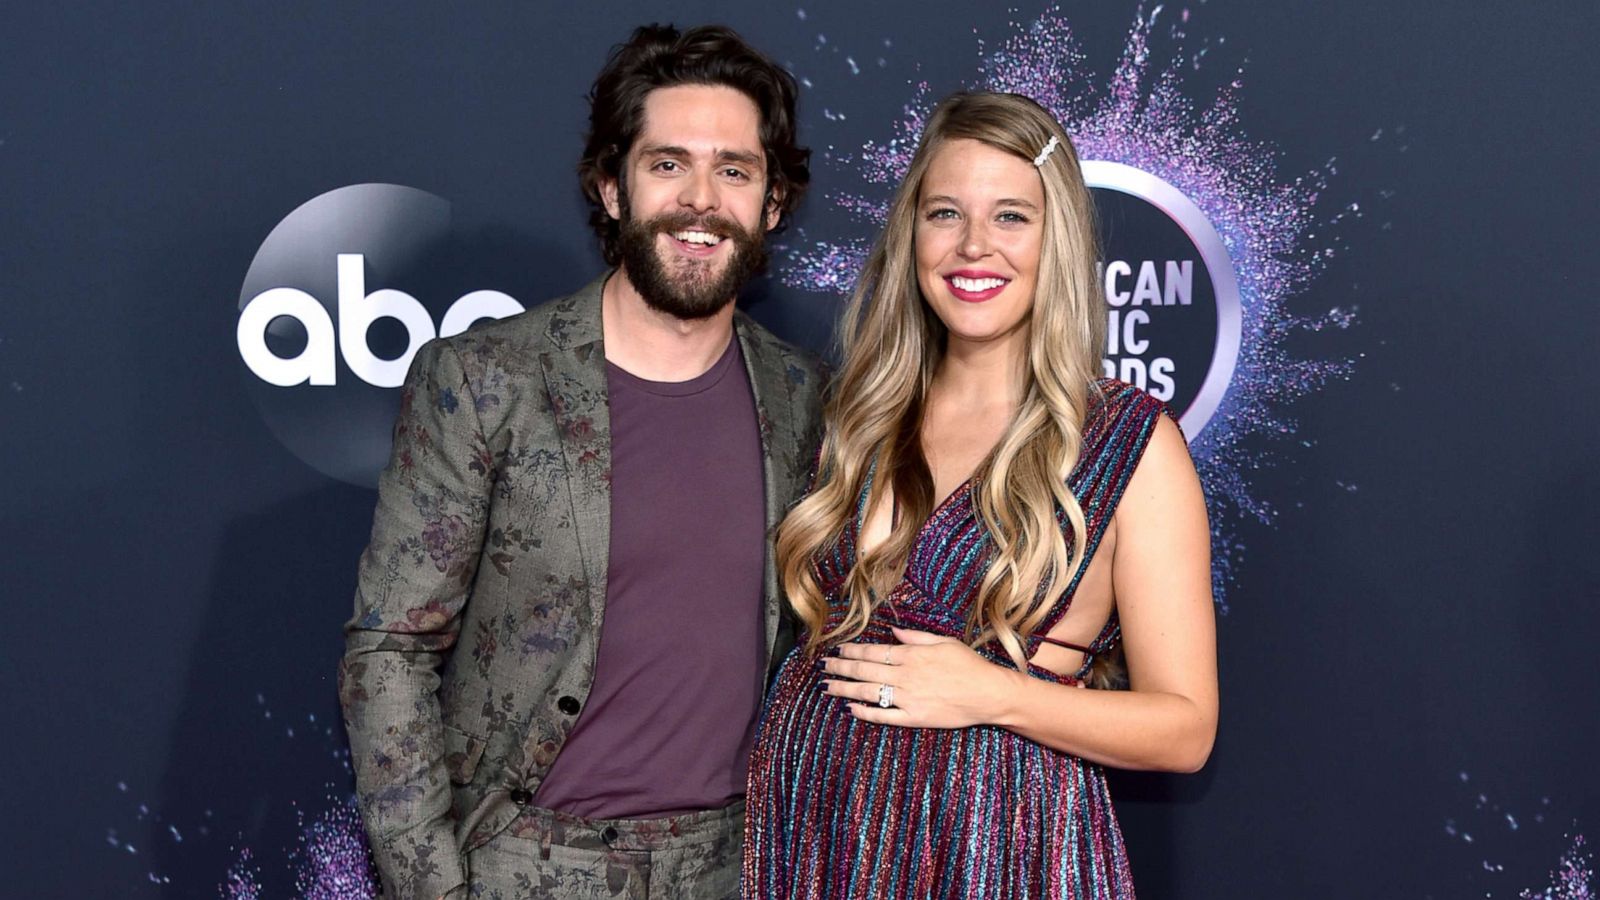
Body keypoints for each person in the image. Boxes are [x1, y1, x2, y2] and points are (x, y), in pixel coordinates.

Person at [338, 24, 825, 900]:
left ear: (773, 203)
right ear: (611, 187)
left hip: (738, 865)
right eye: (668, 164)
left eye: (735, 170)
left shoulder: (805, 399)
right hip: (525, 863)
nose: (702, 199)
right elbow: (390, 652)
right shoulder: (489, 380)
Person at [744, 91, 1218, 898]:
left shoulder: (1127, 440)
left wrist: (995, 693)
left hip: (999, 844)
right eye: (944, 214)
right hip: (815, 832)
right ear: (912, 234)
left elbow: (1185, 728)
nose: (972, 247)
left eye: (1010, 217)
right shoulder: (856, 413)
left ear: (1056, 239)